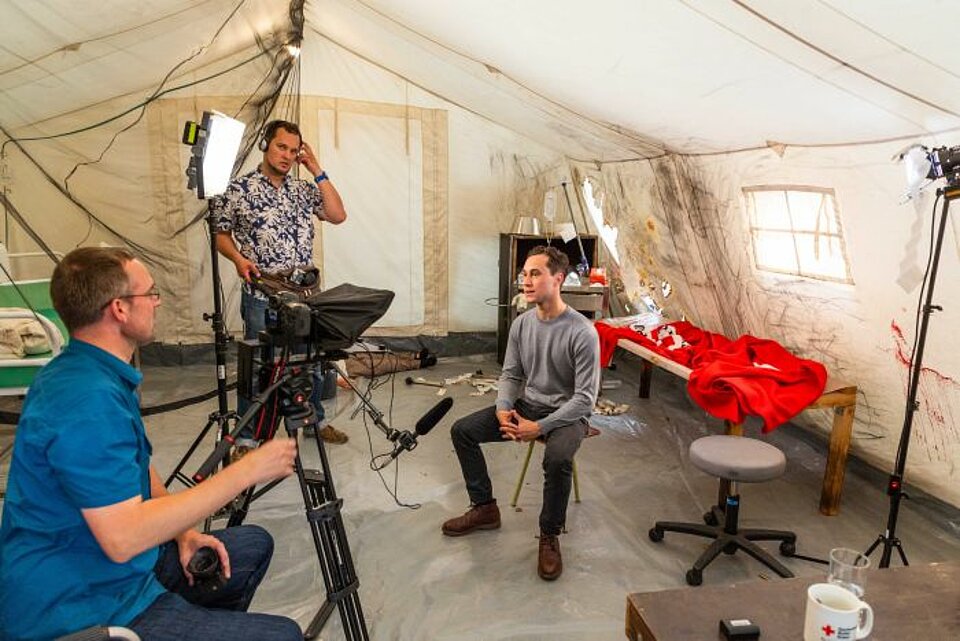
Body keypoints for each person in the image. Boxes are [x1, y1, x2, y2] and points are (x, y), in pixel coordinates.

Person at [0, 247, 302, 641]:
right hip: (80, 605)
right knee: (282, 635)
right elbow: (123, 538)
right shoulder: (85, 401)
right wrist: (245, 472)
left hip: (112, 570)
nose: (157, 302)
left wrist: (184, 533)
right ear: (120, 309)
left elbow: (137, 468)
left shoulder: (93, 370)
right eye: (150, 294)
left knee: (250, 547)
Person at [441, 246, 600, 580]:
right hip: (529, 405)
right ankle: (485, 508)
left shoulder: (582, 332)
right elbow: (512, 375)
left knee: (556, 459)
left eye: (535, 273)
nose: (526, 281)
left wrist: (539, 426)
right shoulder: (522, 324)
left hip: (568, 415)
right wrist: (503, 409)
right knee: (462, 431)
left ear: (558, 279)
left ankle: (549, 534)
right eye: (524, 274)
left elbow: (585, 399)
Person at [212, 118, 349, 444]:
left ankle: (313, 423)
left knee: (311, 363)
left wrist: (316, 168)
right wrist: (238, 259)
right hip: (264, 294)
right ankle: (247, 438)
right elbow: (220, 234)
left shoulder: (304, 189)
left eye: (293, 150)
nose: (287, 155)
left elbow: (337, 215)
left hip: (305, 295)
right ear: (265, 145)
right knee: (259, 367)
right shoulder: (238, 190)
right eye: (281, 147)